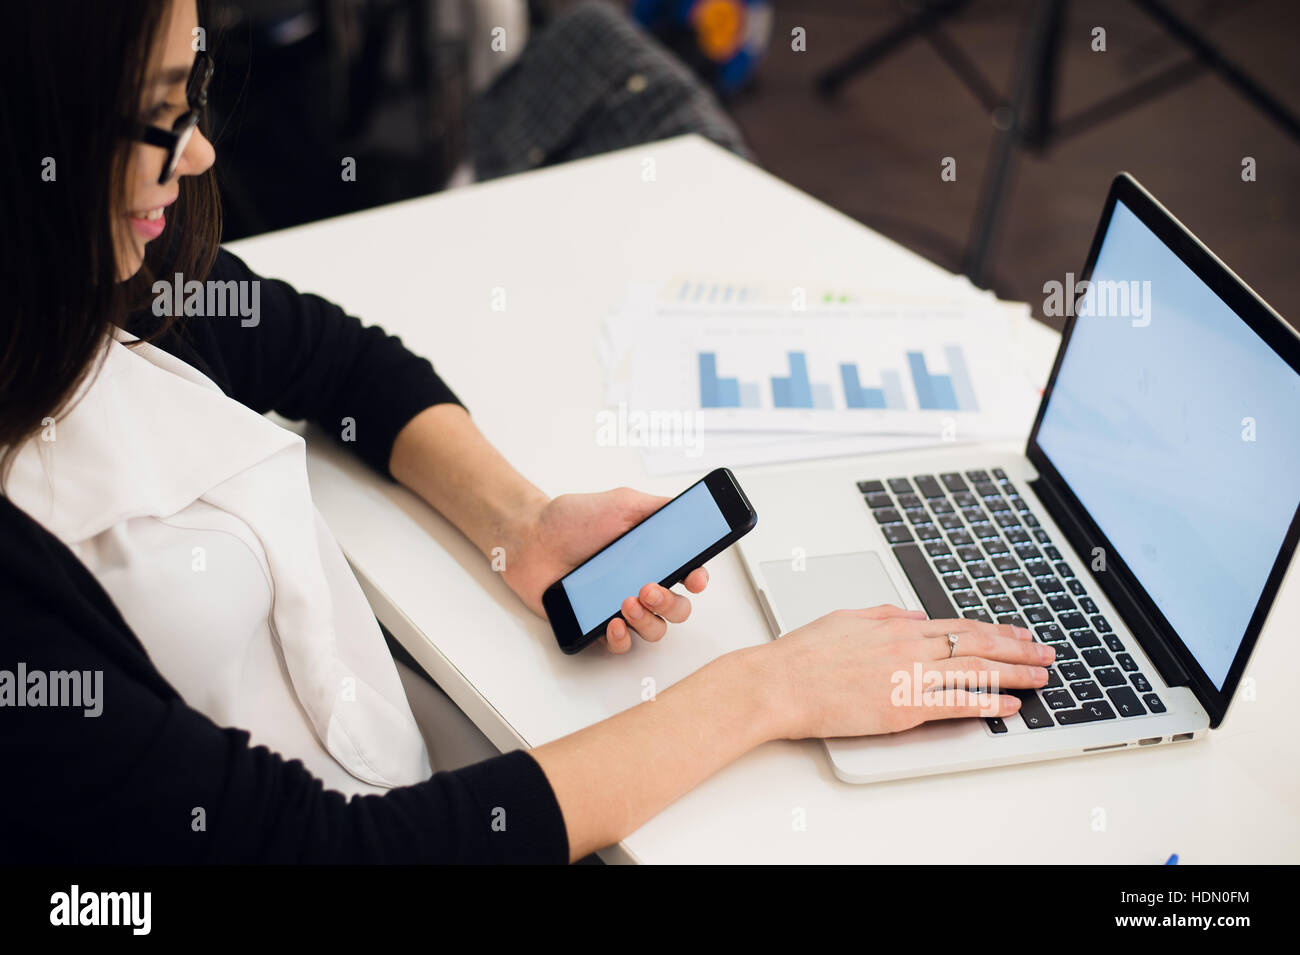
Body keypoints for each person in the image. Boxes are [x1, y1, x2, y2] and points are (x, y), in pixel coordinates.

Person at [0, 0, 1052, 864]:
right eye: (158, 116)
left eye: (195, 96)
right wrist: (768, 689)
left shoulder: (95, 286)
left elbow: (330, 356)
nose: (202, 151)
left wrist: (521, 522)